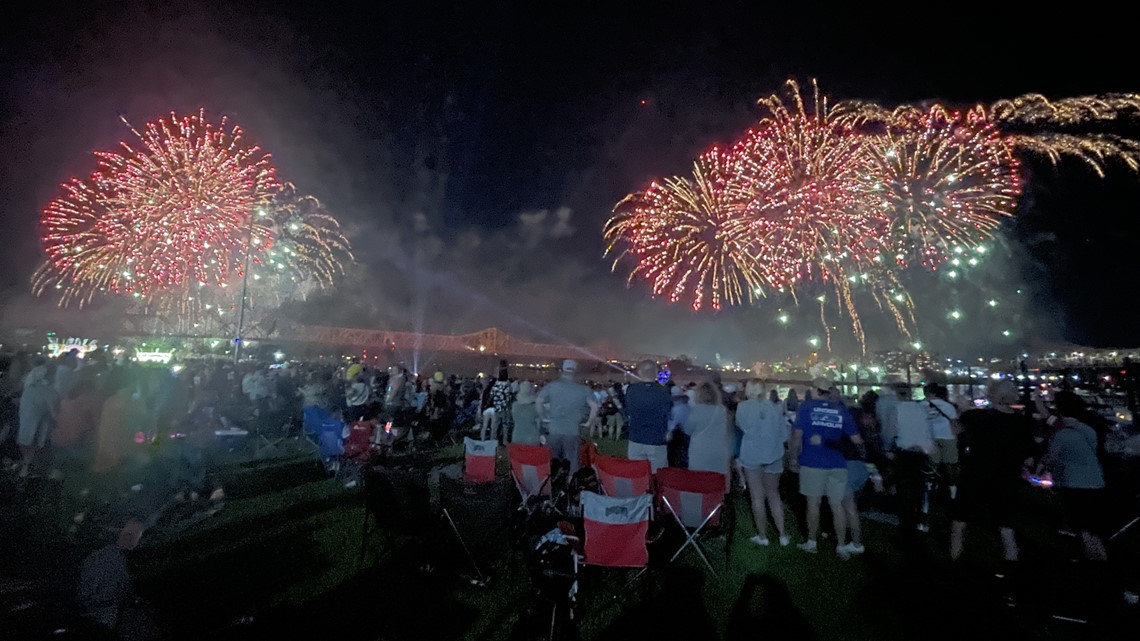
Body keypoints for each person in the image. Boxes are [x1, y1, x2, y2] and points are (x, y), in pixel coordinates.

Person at [949, 380, 1036, 562]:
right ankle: (1011, 567)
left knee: (960, 522)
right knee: (1006, 526)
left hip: (975, 474)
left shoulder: (976, 417)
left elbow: (957, 430)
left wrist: (962, 409)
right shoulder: (1022, 422)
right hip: (1007, 477)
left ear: (991, 394)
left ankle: (955, 561)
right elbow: (1027, 453)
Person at [788, 378, 864, 558]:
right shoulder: (841, 410)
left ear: (815, 390)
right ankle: (841, 545)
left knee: (813, 504)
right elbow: (857, 440)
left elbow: (797, 436)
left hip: (812, 462)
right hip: (837, 463)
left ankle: (812, 542)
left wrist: (793, 459)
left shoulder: (806, 407)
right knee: (837, 505)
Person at [1045, 391, 1108, 561]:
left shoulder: (1062, 435)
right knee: (1093, 527)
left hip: (1073, 484)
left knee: (1082, 527)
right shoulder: (1088, 430)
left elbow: (1051, 458)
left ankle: (1092, 562)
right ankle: (1102, 559)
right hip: (1095, 481)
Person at [736, 379, 790, 546]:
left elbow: (742, 426)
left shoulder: (742, 408)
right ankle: (782, 534)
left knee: (757, 497)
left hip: (752, 456)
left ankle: (762, 536)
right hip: (773, 455)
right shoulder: (775, 408)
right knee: (774, 495)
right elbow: (784, 435)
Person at [78, 520, 152, 635]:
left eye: (138, 536)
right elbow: (89, 594)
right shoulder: (103, 559)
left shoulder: (127, 559)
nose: (134, 539)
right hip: (101, 620)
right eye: (130, 534)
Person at [536, 360, 598, 474]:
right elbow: (594, 406)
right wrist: (589, 422)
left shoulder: (552, 386)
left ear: (562, 370)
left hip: (554, 430)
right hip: (572, 431)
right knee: (572, 463)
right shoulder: (583, 389)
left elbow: (539, 401)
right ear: (575, 372)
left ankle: (552, 486)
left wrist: (543, 417)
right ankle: (570, 486)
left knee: (552, 463)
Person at [624, 360, 673, 472]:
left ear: (640, 373)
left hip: (636, 438)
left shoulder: (632, 390)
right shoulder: (663, 391)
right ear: (656, 373)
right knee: (657, 476)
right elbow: (667, 411)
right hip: (656, 439)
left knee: (637, 475)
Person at [684, 382, 732, 487]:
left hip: (699, 452)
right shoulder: (722, 410)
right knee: (717, 485)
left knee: (699, 484)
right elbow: (727, 430)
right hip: (719, 452)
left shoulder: (696, 410)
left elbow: (687, 430)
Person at [17, 363, 59, 477]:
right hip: (40, 431)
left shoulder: (28, 389)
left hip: (25, 429)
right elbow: (54, 414)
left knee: (26, 448)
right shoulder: (50, 392)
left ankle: (25, 468)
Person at [924, 383, 960, 499]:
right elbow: (955, 423)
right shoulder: (948, 406)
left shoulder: (921, 405)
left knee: (933, 463)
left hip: (930, 438)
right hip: (948, 437)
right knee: (949, 464)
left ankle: (931, 485)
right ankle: (952, 488)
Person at [667, 385, 691, 468]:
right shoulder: (687, 407)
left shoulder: (677, 409)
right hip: (686, 434)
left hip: (679, 436)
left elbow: (674, 425)